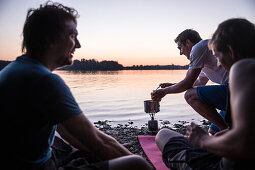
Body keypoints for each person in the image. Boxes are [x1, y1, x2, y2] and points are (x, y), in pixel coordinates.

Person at [0, 2, 153, 170]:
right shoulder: (44, 80)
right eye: (72, 35)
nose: (78, 44)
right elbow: (99, 141)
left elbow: (68, 130)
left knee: (69, 141)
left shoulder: (15, 69)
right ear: (48, 38)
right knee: (137, 164)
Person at [155, 18, 255, 169]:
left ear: (231, 51)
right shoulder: (205, 60)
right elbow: (197, 84)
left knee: (163, 134)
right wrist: (171, 86)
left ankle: (226, 131)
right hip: (232, 101)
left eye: (219, 57)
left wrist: (202, 140)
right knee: (213, 132)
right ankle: (225, 131)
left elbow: (189, 87)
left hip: (225, 163)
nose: (219, 64)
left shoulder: (242, 67)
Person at [151, 29, 229, 135]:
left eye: (180, 48)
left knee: (190, 96)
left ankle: (227, 131)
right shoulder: (206, 53)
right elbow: (198, 82)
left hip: (239, 91)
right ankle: (227, 130)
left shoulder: (199, 47)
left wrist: (165, 91)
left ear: (188, 42)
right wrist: (173, 85)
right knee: (213, 132)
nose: (180, 53)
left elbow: (187, 84)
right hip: (234, 91)